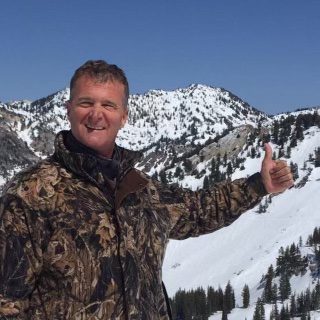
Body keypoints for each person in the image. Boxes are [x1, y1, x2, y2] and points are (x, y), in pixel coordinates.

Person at [0, 60, 294, 320]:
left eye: (108, 105)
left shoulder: (140, 188)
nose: (96, 114)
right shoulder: (29, 196)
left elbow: (198, 210)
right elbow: (7, 303)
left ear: (124, 116)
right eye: (86, 103)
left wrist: (259, 185)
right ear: (68, 110)